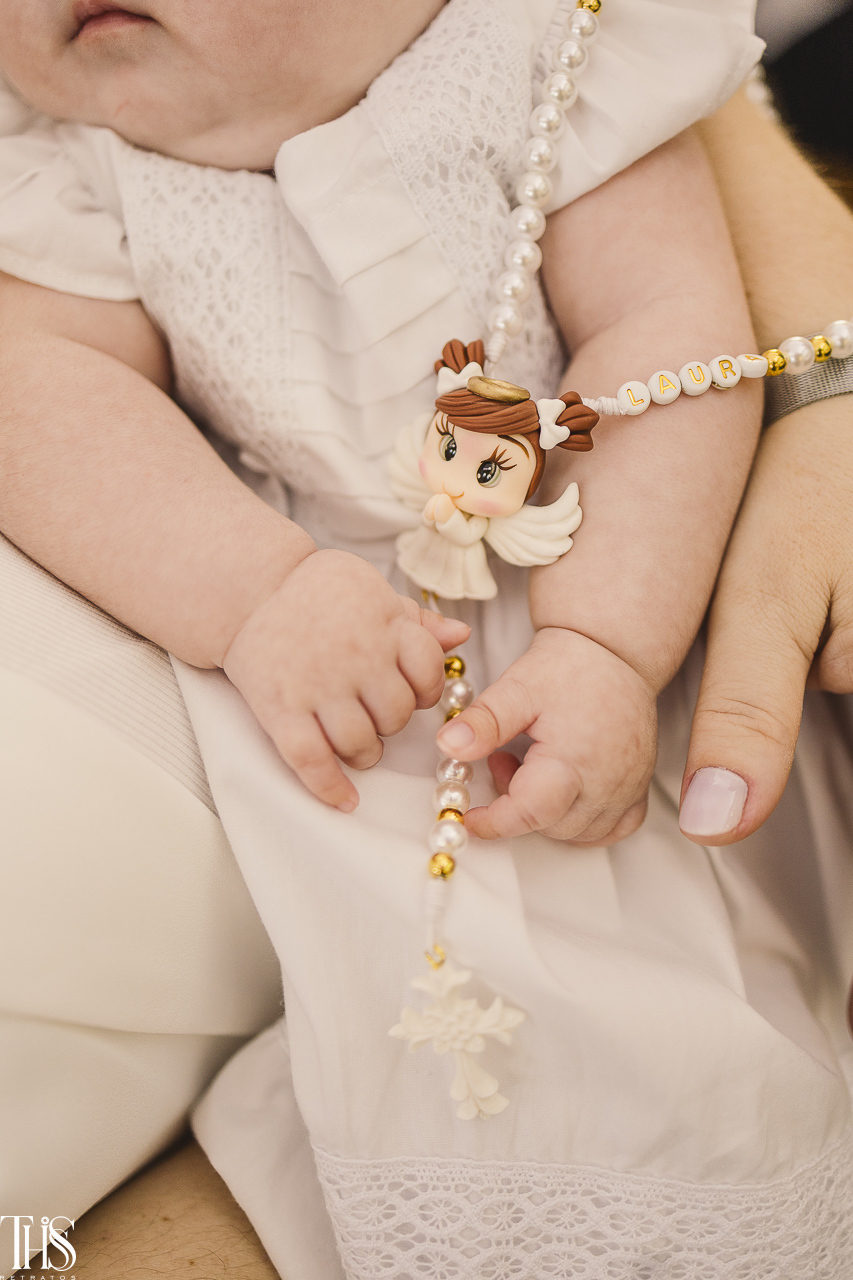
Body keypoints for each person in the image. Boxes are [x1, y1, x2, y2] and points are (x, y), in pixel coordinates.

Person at [0, 1, 851, 1276]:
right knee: (373, 1037)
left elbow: (669, 339)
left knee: (628, 1035)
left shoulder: (543, 59)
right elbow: (49, 400)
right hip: (318, 667)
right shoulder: (70, 162)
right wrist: (255, 594)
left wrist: (609, 643)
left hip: (603, 609)